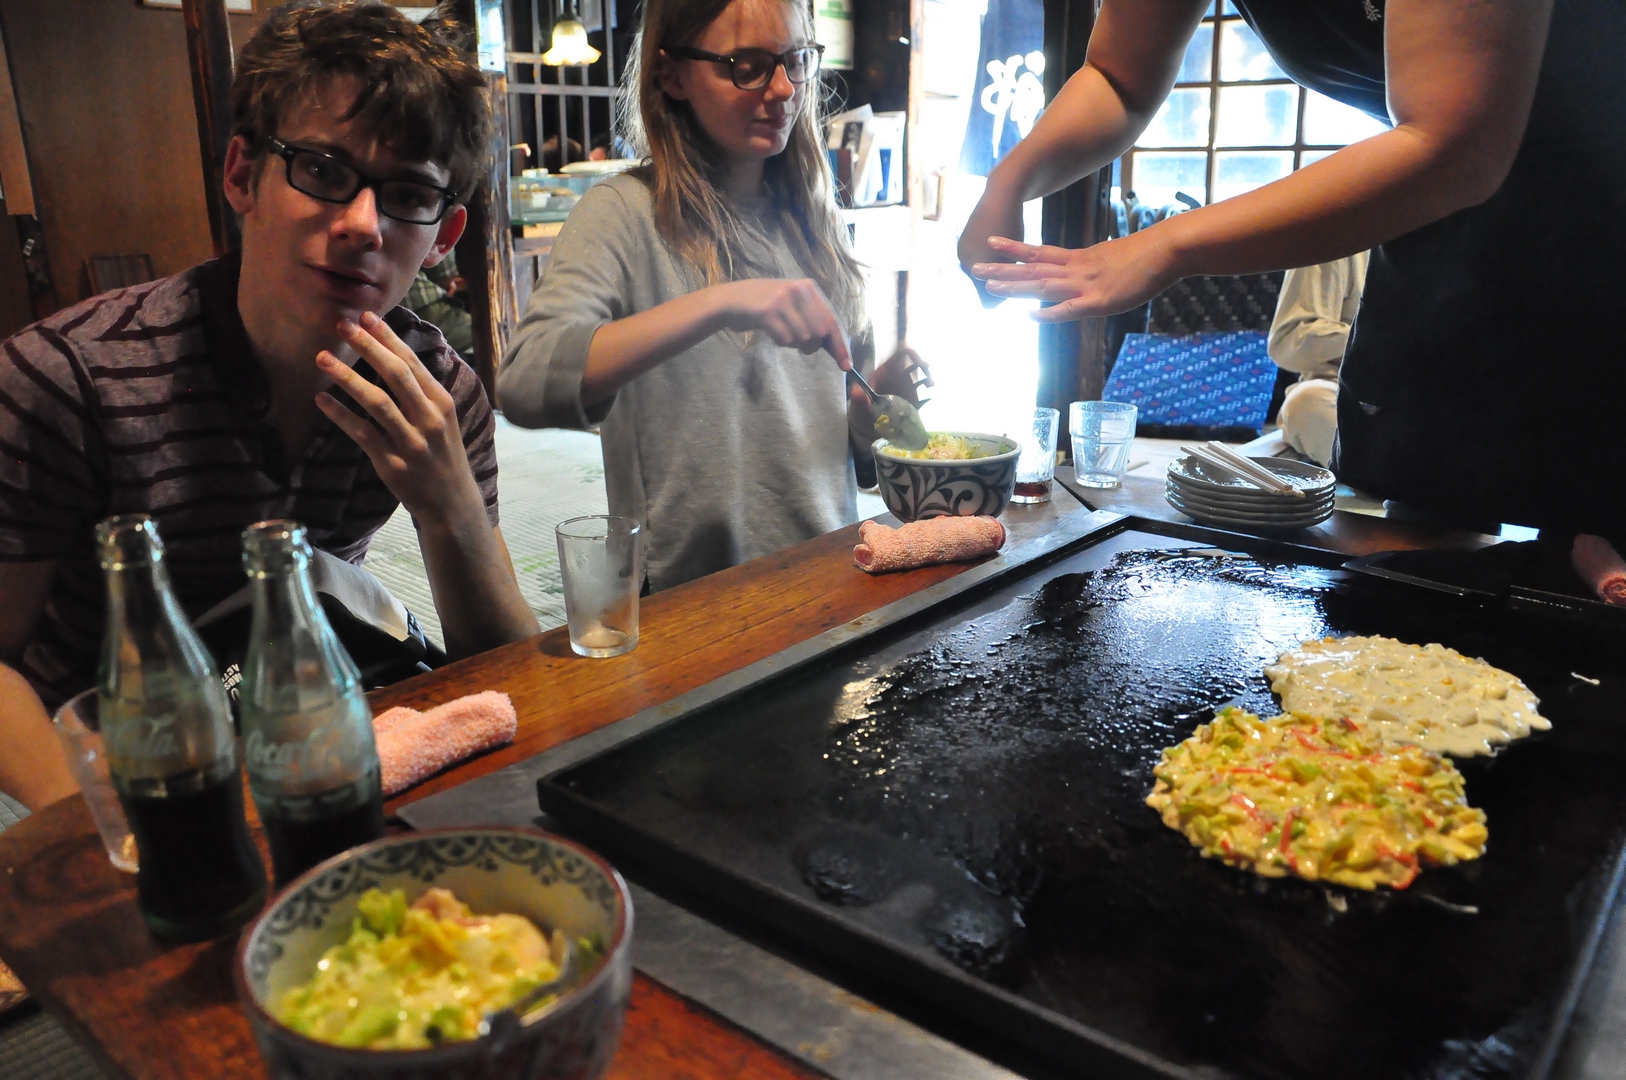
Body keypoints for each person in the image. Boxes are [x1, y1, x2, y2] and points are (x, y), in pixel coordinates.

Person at [0, 2, 539, 810]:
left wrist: (450, 504)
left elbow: (509, 674)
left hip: (300, 714)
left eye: (406, 194)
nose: (363, 225)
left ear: (443, 234)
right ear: (241, 175)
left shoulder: (437, 393)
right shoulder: (65, 379)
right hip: (117, 757)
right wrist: (103, 832)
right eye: (322, 171)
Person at [959, 0, 1626, 543]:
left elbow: (1456, 143)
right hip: (1432, 215)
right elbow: (1117, 78)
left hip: (1598, 201)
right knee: (1425, 519)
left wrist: (1168, 245)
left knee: (1590, 543)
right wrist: (1008, 182)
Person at [498, 0, 924, 592]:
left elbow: (854, 461)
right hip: (689, 601)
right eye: (747, 66)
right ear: (671, 74)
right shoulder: (624, 213)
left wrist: (870, 406)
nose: (783, 89)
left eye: (797, 61)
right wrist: (723, 302)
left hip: (831, 580)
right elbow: (524, 382)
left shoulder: (817, 220)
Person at [1267, 251, 1368, 467]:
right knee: (1307, 401)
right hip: (1352, 394)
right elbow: (1289, 338)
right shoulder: (1336, 239)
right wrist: (1380, 342)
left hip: (1435, 402)